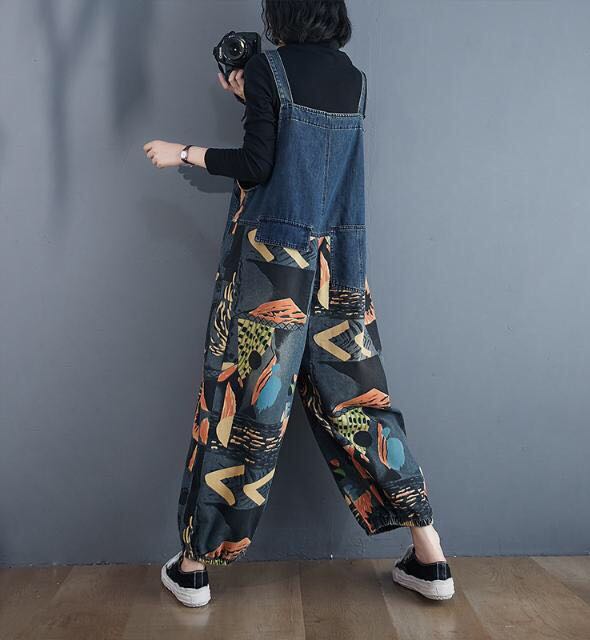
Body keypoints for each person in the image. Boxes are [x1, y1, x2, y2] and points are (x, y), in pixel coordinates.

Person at [143, 0, 454, 608]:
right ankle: (430, 554)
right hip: (339, 268)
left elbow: (258, 165)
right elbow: (310, 164)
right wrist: (256, 98)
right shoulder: (354, 79)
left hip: (272, 273)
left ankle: (195, 566)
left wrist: (183, 152)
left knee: (242, 406)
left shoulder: (270, 69)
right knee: (362, 404)